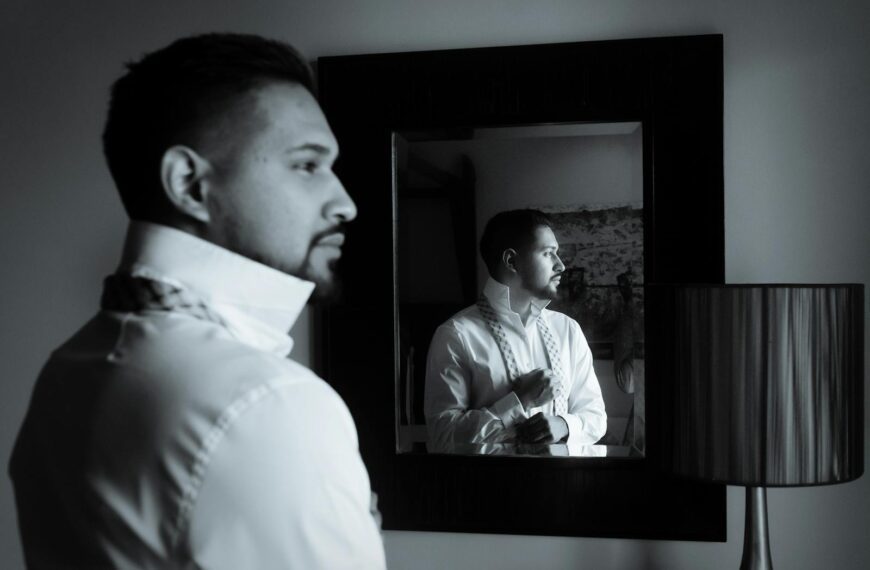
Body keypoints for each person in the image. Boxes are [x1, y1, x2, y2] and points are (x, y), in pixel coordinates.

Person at [9, 33, 386, 569]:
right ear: (188, 183)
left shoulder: (66, 369)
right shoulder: (269, 405)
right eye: (307, 165)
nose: (345, 203)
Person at [424, 209, 606, 454]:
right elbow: (442, 438)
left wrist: (564, 425)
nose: (561, 265)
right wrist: (519, 400)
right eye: (547, 253)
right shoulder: (456, 335)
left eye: (557, 254)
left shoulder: (568, 330)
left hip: (563, 487)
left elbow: (596, 417)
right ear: (511, 261)